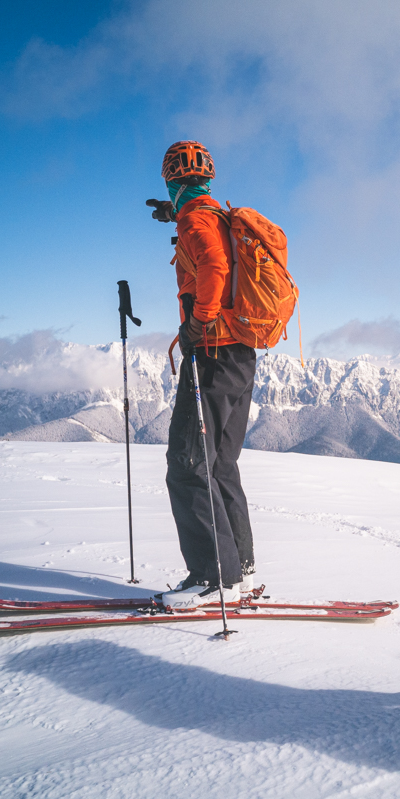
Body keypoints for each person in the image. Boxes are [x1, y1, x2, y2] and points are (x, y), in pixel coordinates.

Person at [151, 141, 257, 609]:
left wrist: (197, 323)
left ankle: (212, 576)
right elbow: (210, 248)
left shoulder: (196, 220)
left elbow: (213, 265)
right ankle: (240, 571)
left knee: (188, 462)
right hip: (241, 354)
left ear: (172, 181)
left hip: (211, 354)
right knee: (220, 464)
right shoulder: (212, 216)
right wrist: (173, 217)